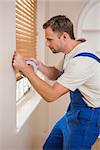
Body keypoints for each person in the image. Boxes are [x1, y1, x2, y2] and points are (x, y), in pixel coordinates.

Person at [12, 15, 100, 150]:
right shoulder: (72, 50)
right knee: (50, 147)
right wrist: (38, 65)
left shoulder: (81, 62)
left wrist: (25, 69)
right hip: (74, 111)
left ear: (64, 36)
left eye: (49, 39)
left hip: (88, 116)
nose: (47, 44)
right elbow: (56, 73)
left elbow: (51, 95)